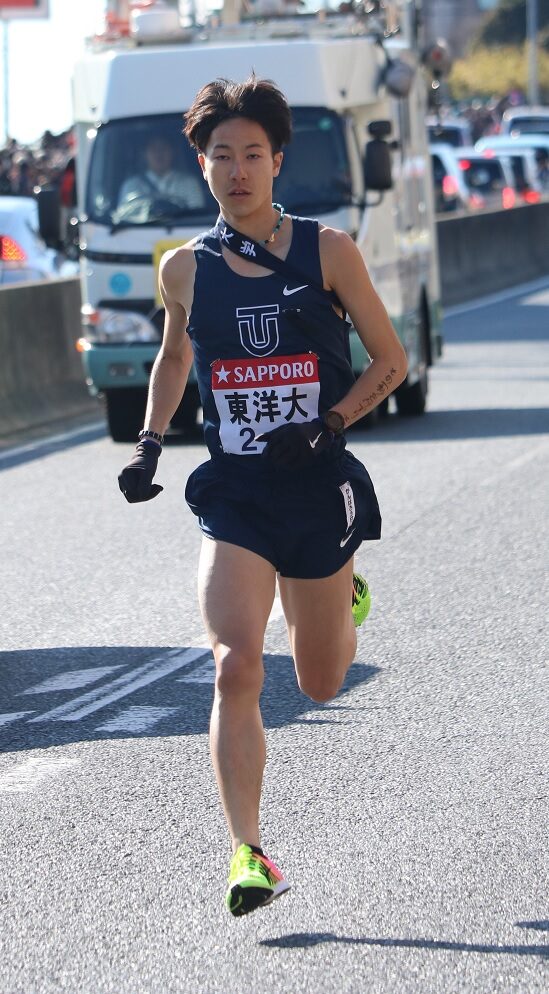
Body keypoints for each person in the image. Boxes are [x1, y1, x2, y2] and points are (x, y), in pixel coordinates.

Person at [118, 76, 408, 917]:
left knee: (318, 683)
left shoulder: (328, 250)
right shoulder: (182, 270)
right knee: (234, 664)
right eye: (221, 156)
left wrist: (328, 426)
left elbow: (388, 361)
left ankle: (341, 589)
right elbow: (175, 362)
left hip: (315, 485)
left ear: (277, 162)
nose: (237, 170)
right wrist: (147, 445)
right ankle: (249, 854)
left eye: (252, 154)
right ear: (200, 167)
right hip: (237, 493)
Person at [117, 133, 203, 210]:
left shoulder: (189, 183)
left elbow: (197, 213)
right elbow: (124, 216)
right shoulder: (131, 186)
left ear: (172, 152)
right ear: (144, 154)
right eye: (153, 149)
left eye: (164, 148)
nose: (159, 154)